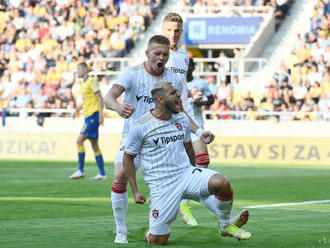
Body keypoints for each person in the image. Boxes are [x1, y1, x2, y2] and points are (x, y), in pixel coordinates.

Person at [104, 35, 214, 244]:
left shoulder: (175, 79)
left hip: (165, 140)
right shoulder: (132, 74)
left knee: (191, 174)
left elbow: (181, 111)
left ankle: (221, 219)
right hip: (135, 137)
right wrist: (118, 107)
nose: (161, 57)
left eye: (165, 54)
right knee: (119, 174)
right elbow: (109, 97)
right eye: (157, 53)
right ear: (147, 54)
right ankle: (121, 231)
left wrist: (199, 132)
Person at [123, 81, 252, 245]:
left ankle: (225, 224)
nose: (179, 95)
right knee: (159, 241)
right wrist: (135, 190)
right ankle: (151, 232)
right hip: (162, 184)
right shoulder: (140, 126)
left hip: (185, 173)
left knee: (222, 183)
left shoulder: (182, 120)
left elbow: (188, 148)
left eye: (178, 92)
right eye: (173, 93)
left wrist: (194, 171)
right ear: (160, 99)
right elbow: (128, 157)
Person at [162, 12, 249, 228]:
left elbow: (183, 91)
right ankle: (124, 229)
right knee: (134, 173)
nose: (174, 34)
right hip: (162, 121)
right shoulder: (157, 55)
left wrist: (192, 101)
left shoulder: (183, 57)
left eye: (177, 30)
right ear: (163, 31)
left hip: (185, 117)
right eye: (170, 30)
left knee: (201, 162)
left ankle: (217, 217)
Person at [69, 62, 106, 180]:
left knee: (79, 141)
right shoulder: (82, 84)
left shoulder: (92, 82)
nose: (78, 71)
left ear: (85, 69)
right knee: (95, 145)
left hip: (93, 116)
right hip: (88, 116)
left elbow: (100, 98)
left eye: (79, 68)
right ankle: (102, 173)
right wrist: (76, 110)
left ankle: (80, 170)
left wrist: (101, 115)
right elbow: (86, 101)